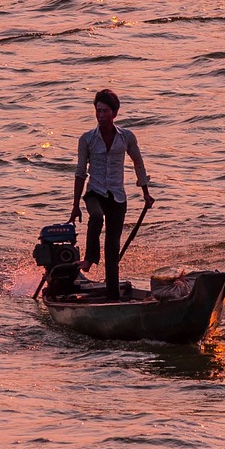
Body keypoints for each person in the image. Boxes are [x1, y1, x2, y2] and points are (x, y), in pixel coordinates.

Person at [68, 89, 155, 301]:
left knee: (112, 248)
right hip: (94, 193)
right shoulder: (87, 139)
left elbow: (138, 163)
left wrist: (146, 193)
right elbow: (80, 172)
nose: (101, 115)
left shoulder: (126, 137)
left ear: (114, 113)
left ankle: (113, 295)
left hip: (117, 197)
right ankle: (89, 259)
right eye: (98, 111)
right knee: (96, 217)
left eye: (105, 111)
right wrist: (75, 205)